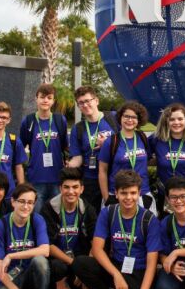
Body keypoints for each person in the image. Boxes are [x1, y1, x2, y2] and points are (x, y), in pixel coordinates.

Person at [73, 170, 161, 289]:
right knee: (80, 263)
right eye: (124, 193)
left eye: (133, 193)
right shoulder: (108, 213)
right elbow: (97, 248)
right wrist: (116, 275)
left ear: (139, 193)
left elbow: (152, 262)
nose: (128, 198)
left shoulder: (149, 219)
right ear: (116, 193)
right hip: (117, 265)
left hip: (139, 270)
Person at [39, 167, 96, 289]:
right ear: (60, 188)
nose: (71, 192)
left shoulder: (88, 209)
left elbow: (95, 241)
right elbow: (48, 245)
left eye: (75, 187)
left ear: (81, 189)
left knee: (93, 262)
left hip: (78, 254)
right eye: (67, 187)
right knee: (58, 267)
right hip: (56, 257)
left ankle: (74, 285)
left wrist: (85, 268)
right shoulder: (48, 208)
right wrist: (75, 265)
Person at [69, 86, 119, 215]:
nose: (85, 105)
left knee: (114, 215)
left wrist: (108, 143)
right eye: (81, 103)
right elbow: (77, 157)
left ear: (96, 100)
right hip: (90, 180)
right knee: (92, 217)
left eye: (88, 100)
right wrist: (69, 167)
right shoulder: (78, 129)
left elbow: (127, 142)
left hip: (114, 177)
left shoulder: (113, 118)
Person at [20, 83, 69, 212]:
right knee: (37, 216)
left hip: (57, 178)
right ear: (36, 99)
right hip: (36, 178)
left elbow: (66, 146)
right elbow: (19, 149)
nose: (45, 100)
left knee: (56, 217)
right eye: (42, 97)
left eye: (49, 97)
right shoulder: (28, 121)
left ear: (53, 101)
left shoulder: (60, 120)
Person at [97, 101, 154, 212]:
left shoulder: (142, 137)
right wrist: (106, 198)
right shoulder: (111, 141)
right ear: (120, 118)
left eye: (134, 117)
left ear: (139, 120)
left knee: (143, 227)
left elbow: (148, 160)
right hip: (119, 194)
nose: (129, 120)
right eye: (126, 116)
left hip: (142, 193)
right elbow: (102, 170)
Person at [150, 103, 185, 215]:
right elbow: (142, 152)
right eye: (172, 119)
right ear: (166, 121)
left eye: (180, 119)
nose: (176, 122)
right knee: (166, 224)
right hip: (165, 193)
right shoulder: (157, 139)